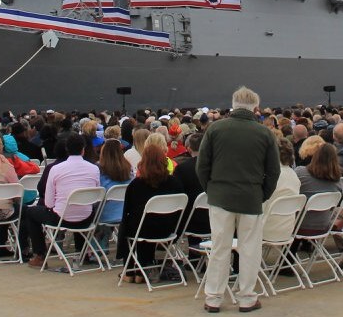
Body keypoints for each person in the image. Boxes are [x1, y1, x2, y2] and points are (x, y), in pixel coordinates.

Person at [196, 86, 280, 314]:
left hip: (220, 197)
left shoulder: (215, 129)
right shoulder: (264, 133)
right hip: (251, 198)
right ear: (256, 108)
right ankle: (247, 298)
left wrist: (212, 190)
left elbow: (202, 166)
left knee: (220, 247)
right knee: (250, 249)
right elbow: (273, 171)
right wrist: (261, 194)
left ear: (233, 105)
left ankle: (213, 298)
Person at [23, 134, 101, 267]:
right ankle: (82, 253)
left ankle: (40, 255)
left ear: (66, 149)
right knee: (80, 206)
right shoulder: (94, 169)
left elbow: (48, 202)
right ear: (83, 149)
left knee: (31, 213)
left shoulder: (56, 169)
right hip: (87, 218)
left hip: (61, 218)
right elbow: (95, 195)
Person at [117, 144, 184, 282]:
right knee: (146, 221)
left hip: (143, 230)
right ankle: (142, 270)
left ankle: (130, 271)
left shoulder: (136, 185)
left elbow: (127, 211)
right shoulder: (174, 182)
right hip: (168, 229)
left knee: (131, 224)